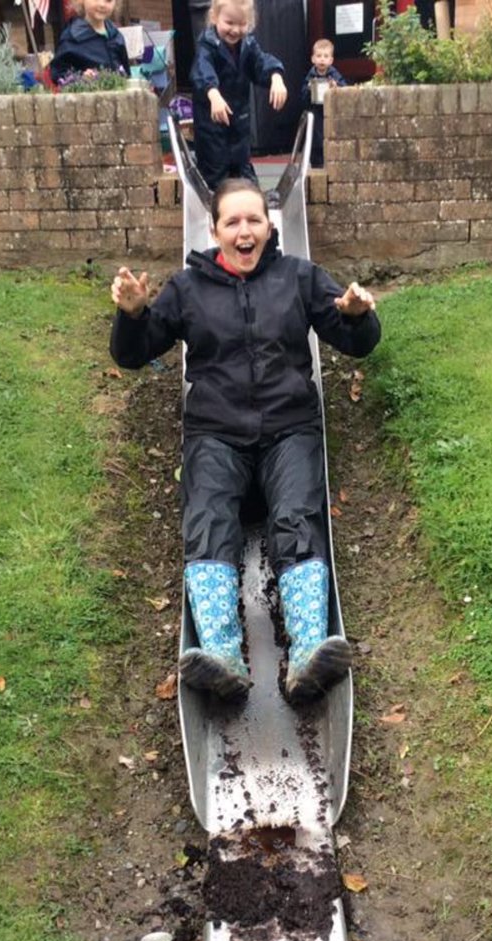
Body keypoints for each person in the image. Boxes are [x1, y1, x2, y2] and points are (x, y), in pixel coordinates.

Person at [109, 179, 380, 704]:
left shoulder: (299, 279)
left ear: (269, 226)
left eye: (253, 220)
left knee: (297, 516)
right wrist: (134, 314)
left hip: (289, 430)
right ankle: (221, 654)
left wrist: (357, 317)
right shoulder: (188, 289)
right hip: (217, 434)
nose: (244, 230)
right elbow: (133, 354)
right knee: (209, 515)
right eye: (232, 222)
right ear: (214, 231)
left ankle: (307, 652)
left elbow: (355, 343)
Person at [189, 0, 288, 191]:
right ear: (214, 18)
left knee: (244, 171)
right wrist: (213, 93)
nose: (235, 30)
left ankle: (252, 208)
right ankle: (218, 213)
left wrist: (276, 76)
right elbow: (202, 70)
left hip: (239, 124)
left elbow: (261, 63)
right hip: (212, 127)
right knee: (215, 174)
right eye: (229, 23)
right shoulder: (207, 44)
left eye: (242, 24)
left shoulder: (248, 45)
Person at [49, 0, 130, 86]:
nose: (102, 4)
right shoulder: (72, 38)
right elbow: (58, 74)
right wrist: (80, 78)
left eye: (108, 0)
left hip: (118, 96)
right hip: (86, 97)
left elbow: (126, 73)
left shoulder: (116, 36)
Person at [300, 38, 347, 169]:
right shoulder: (310, 76)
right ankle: (316, 165)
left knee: (331, 143)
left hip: (330, 115)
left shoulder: (334, 75)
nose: (322, 59)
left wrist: (336, 87)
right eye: (319, 56)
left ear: (331, 60)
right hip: (315, 116)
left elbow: (345, 91)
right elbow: (302, 99)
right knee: (316, 146)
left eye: (325, 56)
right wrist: (309, 89)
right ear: (313, 59)